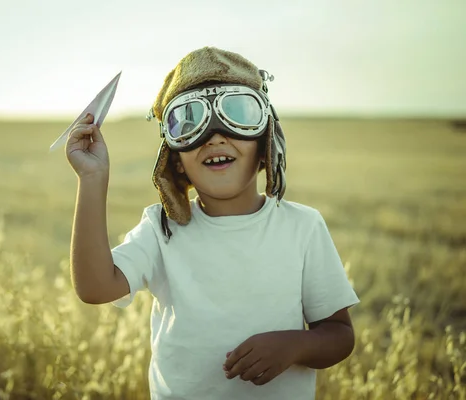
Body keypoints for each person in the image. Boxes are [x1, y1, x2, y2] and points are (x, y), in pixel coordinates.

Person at [65, 46, 360, 400]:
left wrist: (295, 345)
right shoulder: (162, 228)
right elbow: (95, 288)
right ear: (175, 160)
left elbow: (340, 335)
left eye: (238, 113)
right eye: (188, 121)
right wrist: (92, 178)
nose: (215, 136)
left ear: (265, 141)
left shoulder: (303, 227)